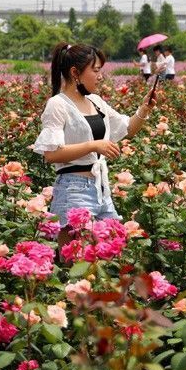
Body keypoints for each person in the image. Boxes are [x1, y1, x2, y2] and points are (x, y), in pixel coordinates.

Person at [33, 42, 161, 246]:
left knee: (112, 248)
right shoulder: (58, 104)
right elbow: (51, 154)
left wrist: (144, 109)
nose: (100, 76)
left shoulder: (96, 102)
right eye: (96, 70)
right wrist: (94, 145)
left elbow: (126, 129)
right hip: (73, 191)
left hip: (100, 188)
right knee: (77, 260)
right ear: (75, 73)